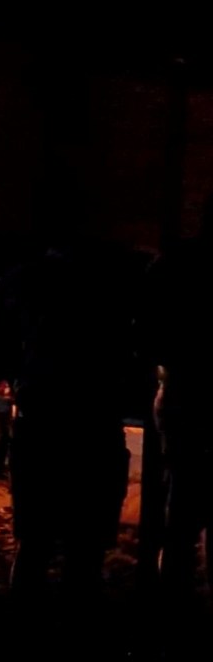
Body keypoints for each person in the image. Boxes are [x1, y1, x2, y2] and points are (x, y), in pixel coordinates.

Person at [0, 230, 133, 631]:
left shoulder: (14, 283)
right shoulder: (114, 284)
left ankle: (27, 635)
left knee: (33, 544)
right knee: (87, 551)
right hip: (97, 425)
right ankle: (78, 634)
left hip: (40, 422)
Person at [139, 192, 213, 625]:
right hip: (191, 396)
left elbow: (146, 338)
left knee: (180, 510)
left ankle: (171, 612)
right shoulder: (175, 264)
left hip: (182, 395)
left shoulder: (172, 264)